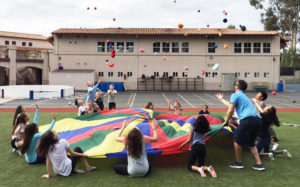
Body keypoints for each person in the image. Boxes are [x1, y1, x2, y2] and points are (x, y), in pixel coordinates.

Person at [215, 80, 264, 171]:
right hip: (258, 121)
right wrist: (221, 99)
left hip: (248, 120)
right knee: (251, 143)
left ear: (237, 87)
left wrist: (226, 121)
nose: (234, 85)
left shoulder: (235, 95)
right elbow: (230, 105)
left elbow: (230, 110)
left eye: (236, 84)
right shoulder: (243, 96)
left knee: (237, 139)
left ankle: (238, 163)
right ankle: (259, 164)